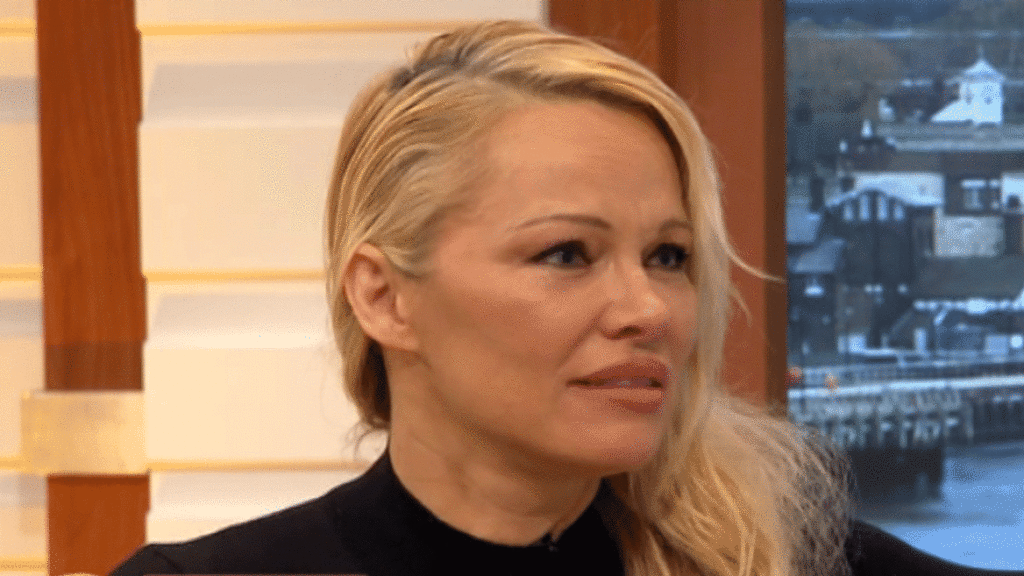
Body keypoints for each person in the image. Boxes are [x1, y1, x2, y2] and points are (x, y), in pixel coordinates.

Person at [112, 20, 1023, 576]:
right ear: (384, 298)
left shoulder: (794, 559)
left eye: (668, 256)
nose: (648, 309)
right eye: (565, 254)